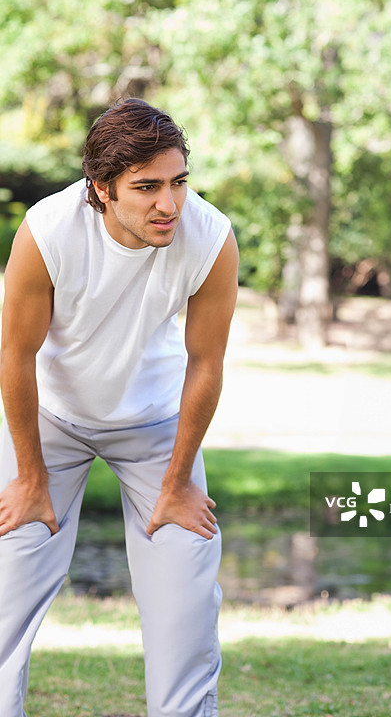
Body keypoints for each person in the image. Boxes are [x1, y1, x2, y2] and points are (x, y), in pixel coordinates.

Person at [0, 98, 239, 717]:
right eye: (147, 187)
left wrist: (179, 482)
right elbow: (15, 355)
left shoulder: (210, 236)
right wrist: (29, 478)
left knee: (186, 598)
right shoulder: (48, 231)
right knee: (6, 583)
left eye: (178, 181)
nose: (170, 204)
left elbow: (206, 362)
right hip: (50, 419)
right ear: (101, 189)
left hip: (155, 424)